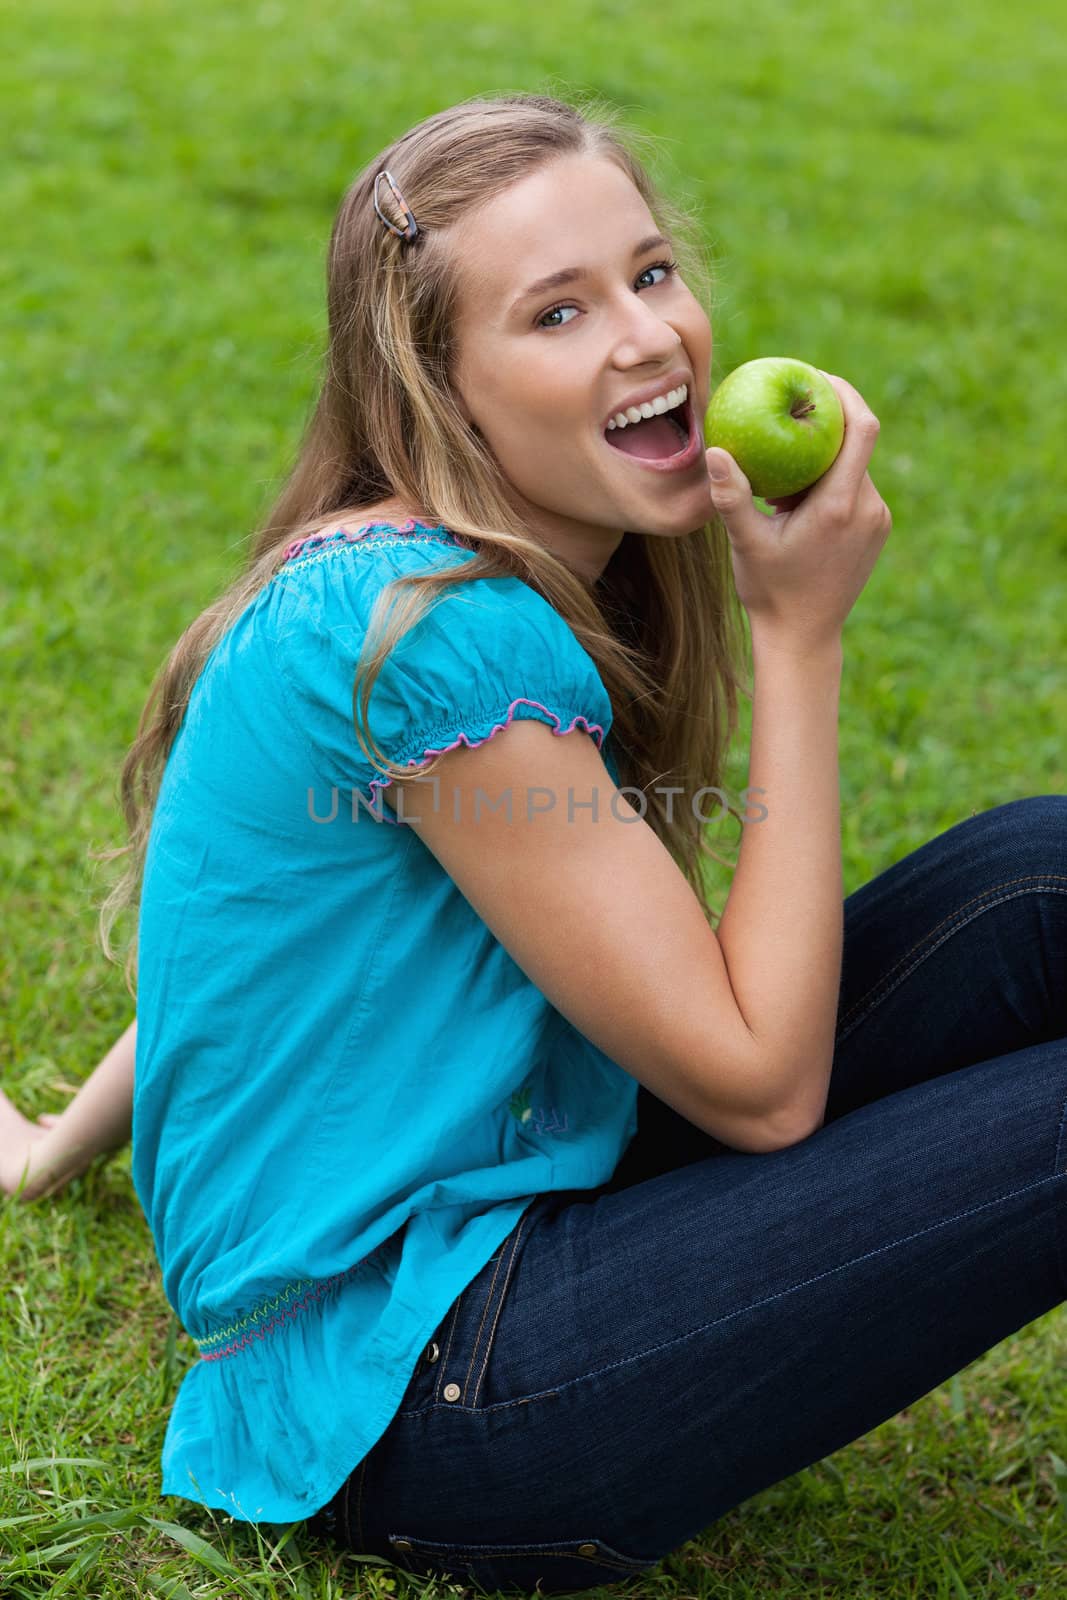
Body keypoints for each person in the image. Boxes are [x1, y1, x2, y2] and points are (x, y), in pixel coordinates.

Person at [2, 89, 1064, 1595]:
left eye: (647, 274)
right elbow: (764, 1089)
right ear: (440, 390)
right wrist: (800, 643)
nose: (642, 336)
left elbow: (256, 951)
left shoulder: (399, 570)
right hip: (426, 1393)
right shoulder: (434, 635)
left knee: (1040, 873)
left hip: (517, 1203)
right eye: (555, 314)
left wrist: (53, 1149)